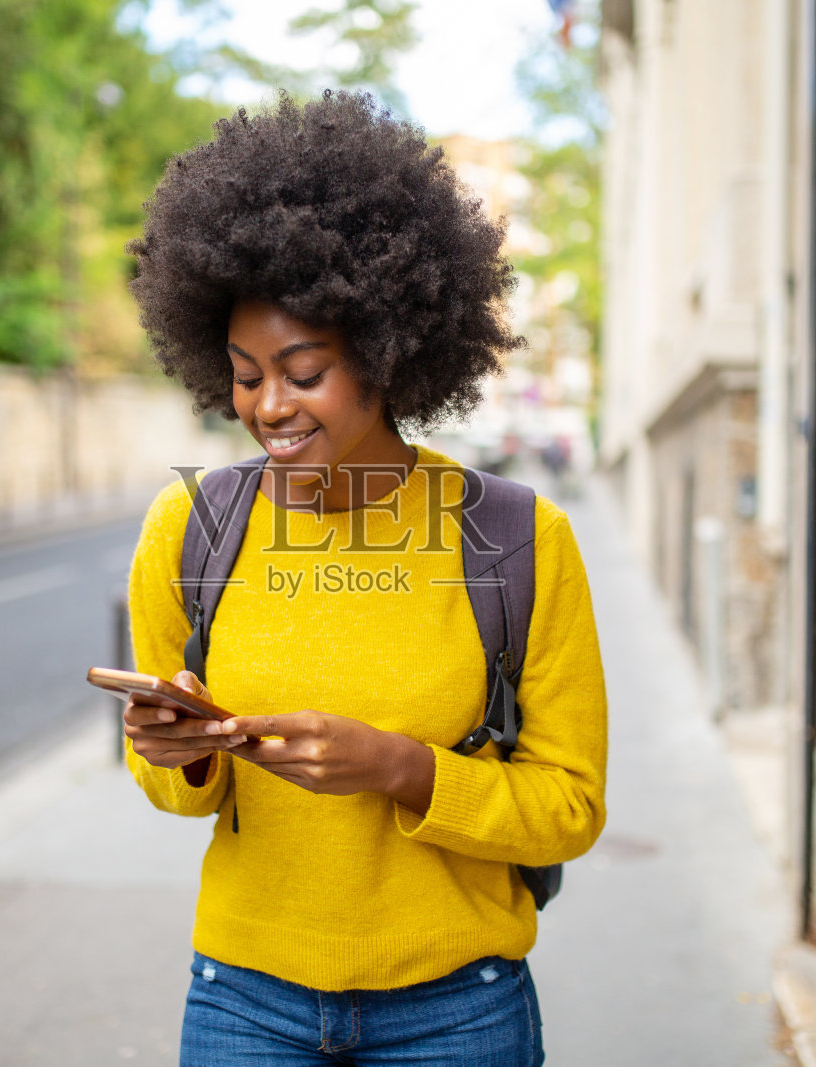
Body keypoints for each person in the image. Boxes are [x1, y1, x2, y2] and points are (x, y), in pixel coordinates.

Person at [121, 91, 608, 1066]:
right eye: (245, 373)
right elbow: (176, 795)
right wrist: (175, 750)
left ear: (386, 353)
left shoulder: (515, 537)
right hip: (244, 995)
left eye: (303, 369)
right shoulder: (193, 527)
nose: (267, 405)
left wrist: (400, 767)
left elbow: (569, 805)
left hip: (456, 1007)